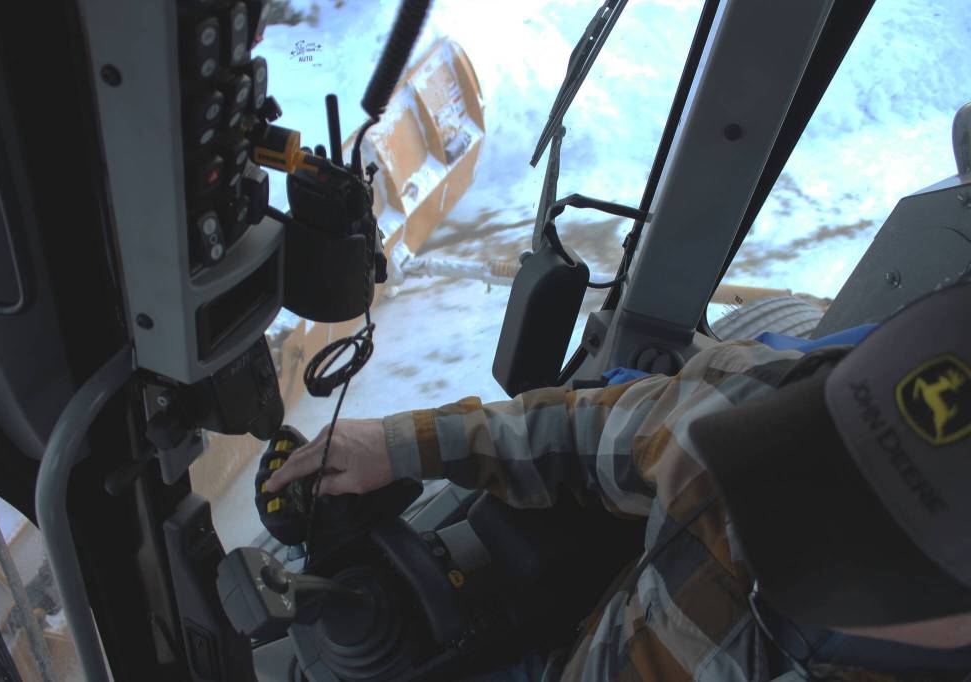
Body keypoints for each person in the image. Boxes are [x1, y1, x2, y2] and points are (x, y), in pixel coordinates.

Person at [267, 280, 971, 681]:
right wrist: (400, 446)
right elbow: (590, 435)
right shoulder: (764, 394)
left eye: (862, 541)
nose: (767, 532)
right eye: (808, 455)